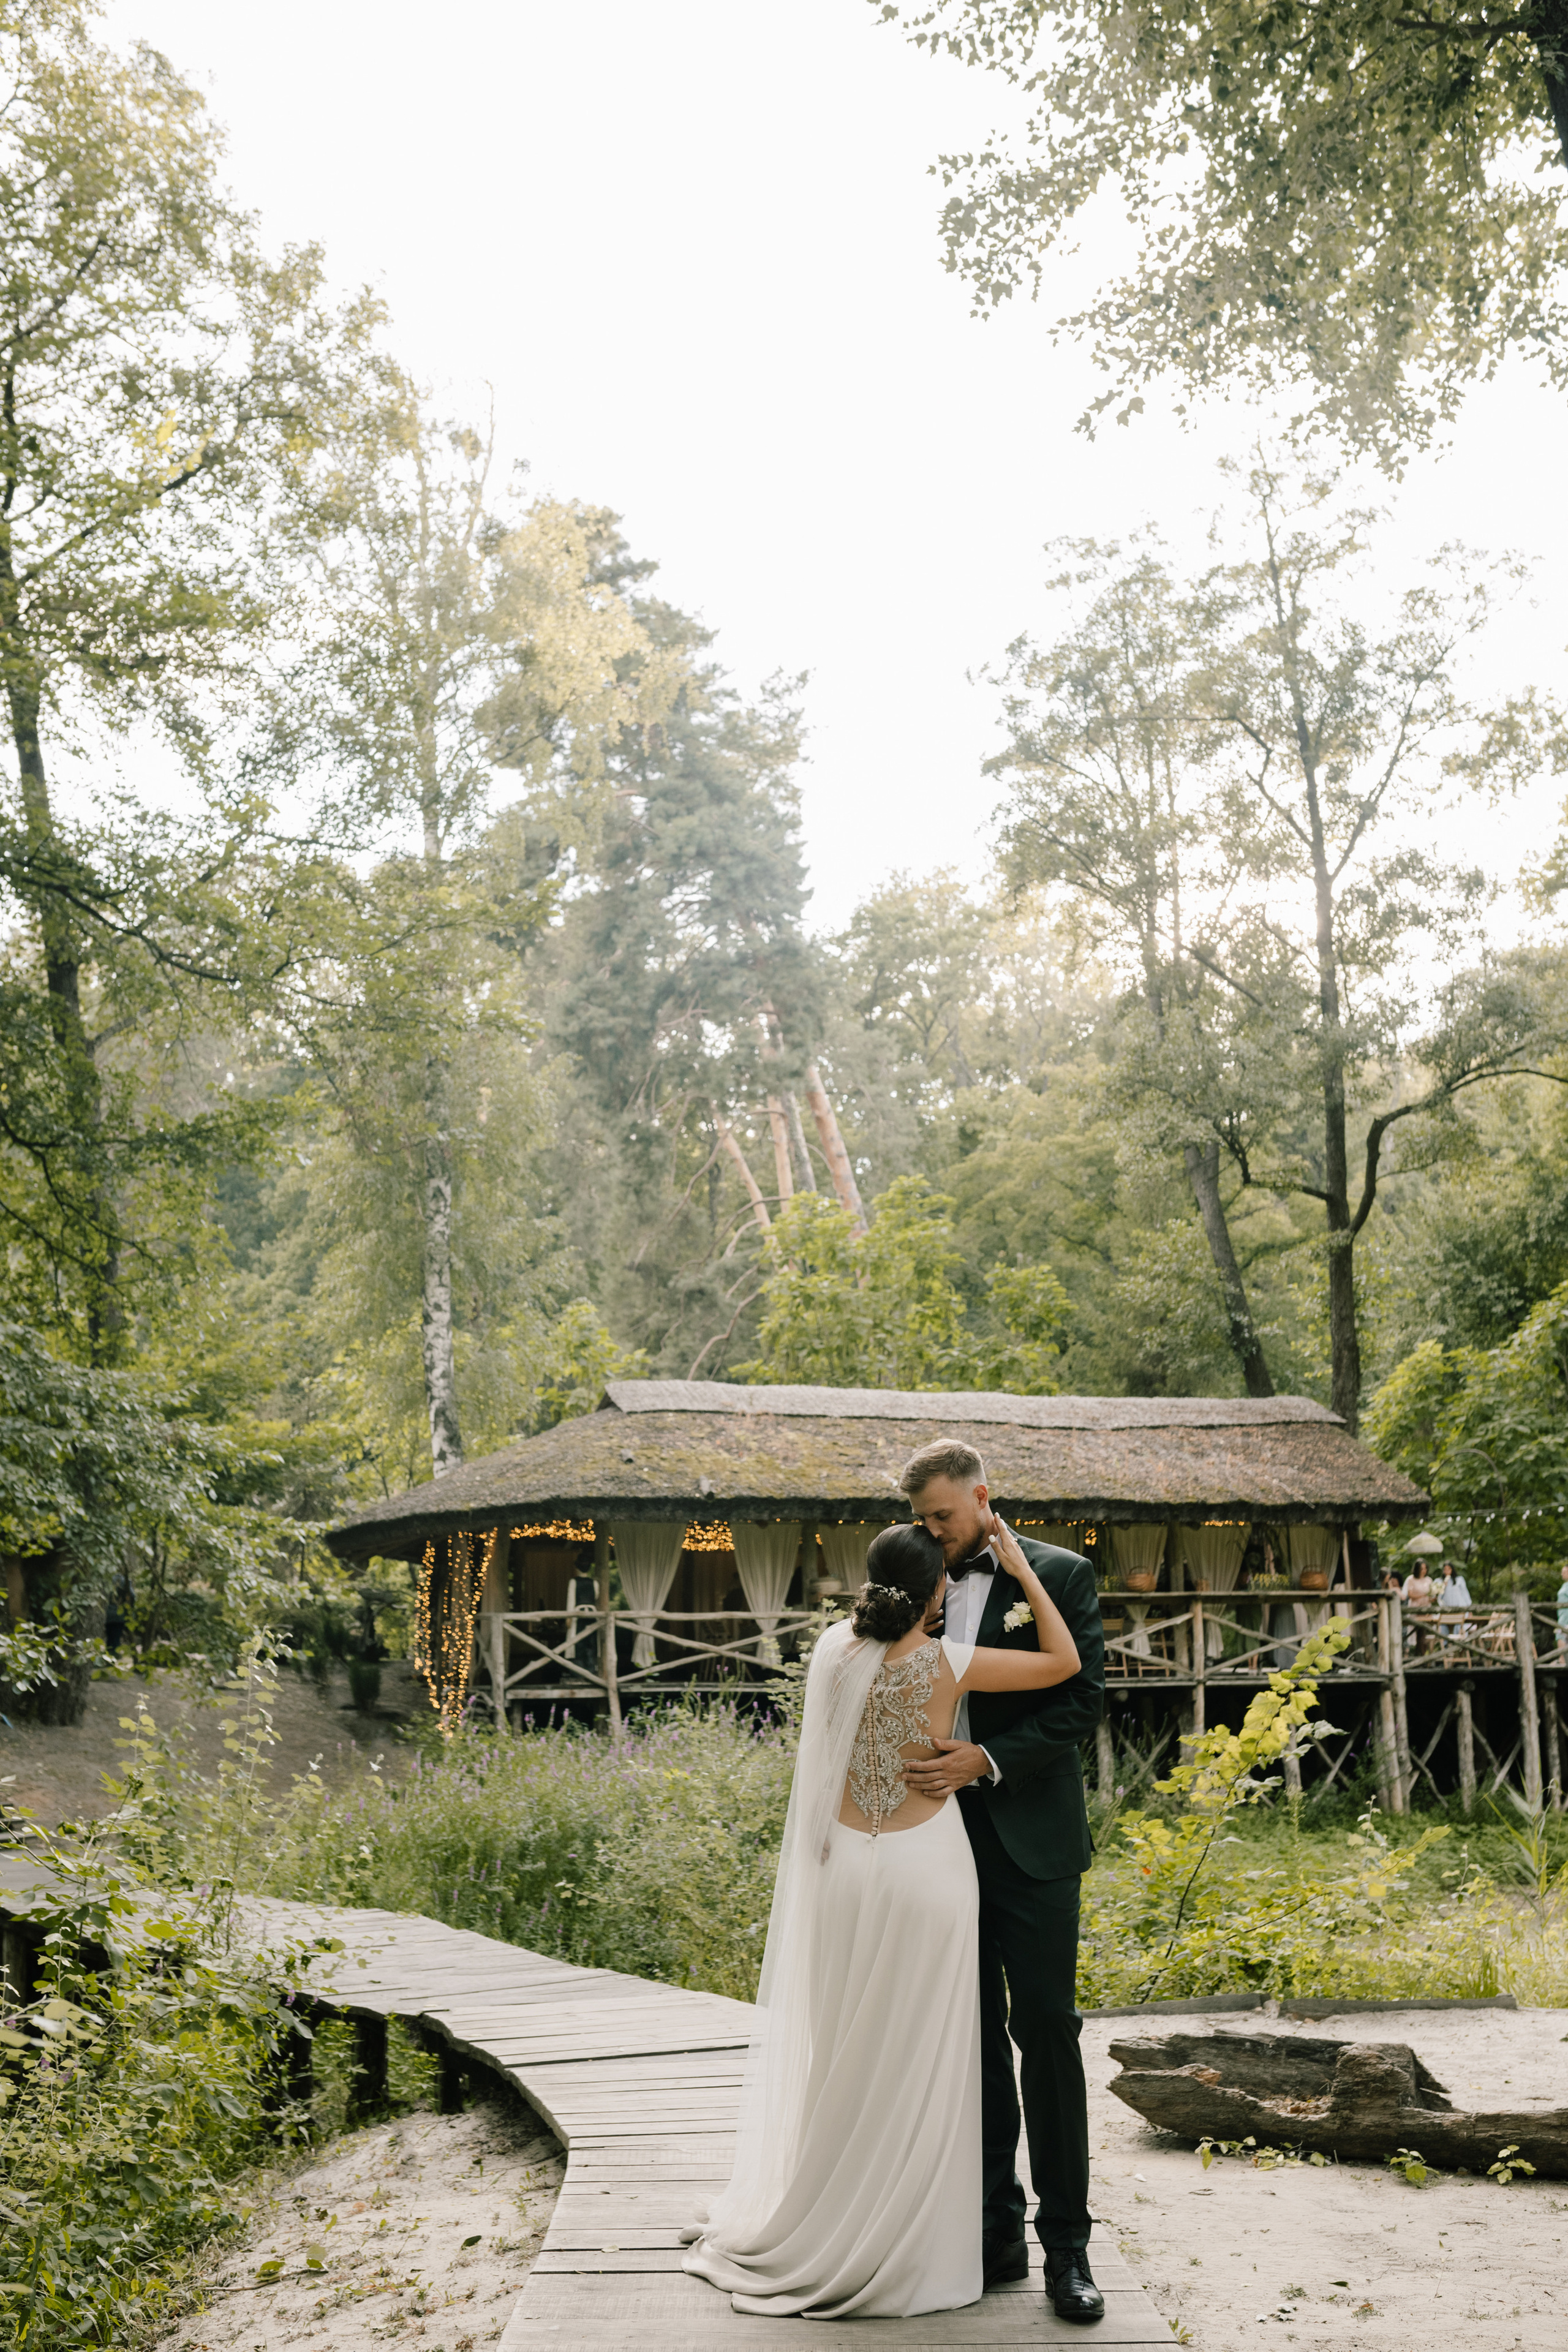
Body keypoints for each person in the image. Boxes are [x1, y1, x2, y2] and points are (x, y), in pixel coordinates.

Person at [681, 1513, 1082, 2320]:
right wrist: (1023, 1569)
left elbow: (826, 1761)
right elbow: (1065, 1663)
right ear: (935, 1589)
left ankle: (840, 2212)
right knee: (933, 2055)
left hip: (844, 1870)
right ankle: (923, 2233)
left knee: (855, 2048)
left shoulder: (834, 1653)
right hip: (926, 1868)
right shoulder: (944, 1661)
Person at [900, 1438, 1107, 2324]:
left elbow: (1083, 1699)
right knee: (971, 2036)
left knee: (1048, 2031)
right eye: (920, 1522)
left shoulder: (1060, 1574)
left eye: (942, 1518)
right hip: (937, 1843)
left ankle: (1069, 2245)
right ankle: (995, 2236)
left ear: (982, 1499)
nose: (931, 1534)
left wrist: (986, 1758)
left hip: (1033, 1838)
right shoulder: (917, 1581)